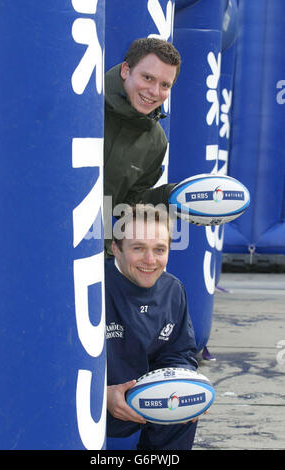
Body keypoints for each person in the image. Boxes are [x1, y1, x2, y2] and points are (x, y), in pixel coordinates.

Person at [105, 204, 200, 450]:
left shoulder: (173, 290)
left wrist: (187, 387)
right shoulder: (92, 286)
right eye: (138, 248)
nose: (150, 260)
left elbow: (179, 353)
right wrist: (101, 396)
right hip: (92, 409)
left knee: (183, 409)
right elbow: (54, 366)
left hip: (147, 410)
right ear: (116, 249)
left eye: (159, 250)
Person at [104, 37, 181, 255]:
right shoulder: (84, 103)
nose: (155, 92)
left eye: (165, 85)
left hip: (92, 259)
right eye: (148, 78)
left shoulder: (156, 141)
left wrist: (170, 196)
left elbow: (126, 207)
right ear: (126, 70)